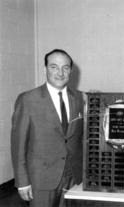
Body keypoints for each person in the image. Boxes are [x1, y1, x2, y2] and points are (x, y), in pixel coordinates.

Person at [11, 49, 84, 207]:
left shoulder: (80, 98)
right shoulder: (28, 99)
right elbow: (18, 146)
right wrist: (22, 182)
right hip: (40, 180)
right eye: (53, 67)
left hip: (73, 177)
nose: (60, 73)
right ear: (45, 69)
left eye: (65, 67)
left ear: (71, 70)